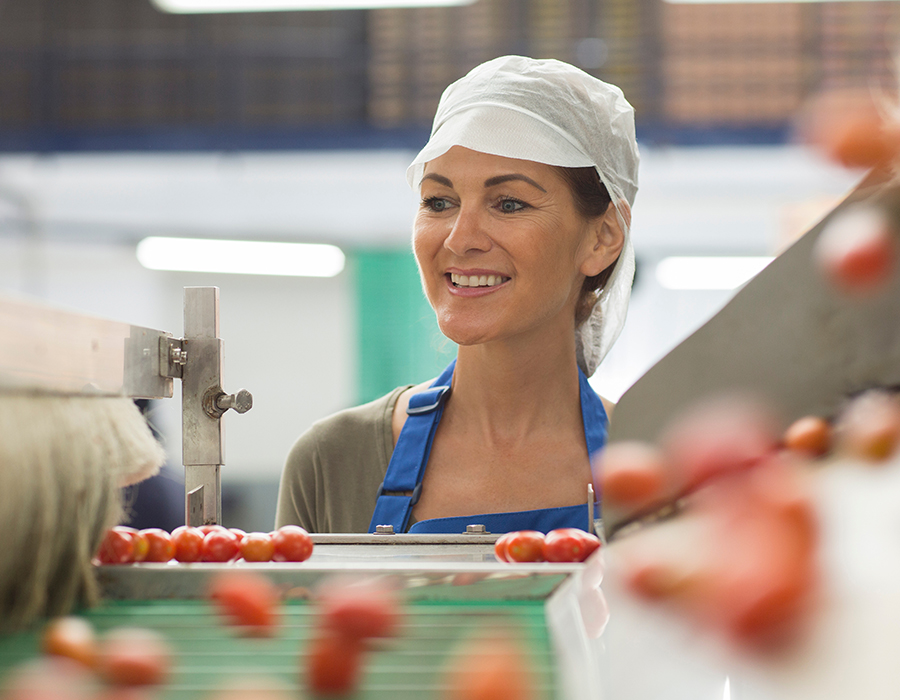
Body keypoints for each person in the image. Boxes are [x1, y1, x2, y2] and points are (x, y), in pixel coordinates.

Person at [275, 55, 639, 534]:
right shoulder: (333, 460)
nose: (459, 238)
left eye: (509, 203)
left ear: (603, 238)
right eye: (439, 202)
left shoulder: (657, 471)